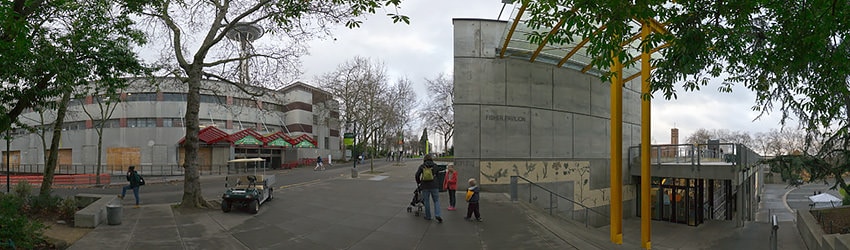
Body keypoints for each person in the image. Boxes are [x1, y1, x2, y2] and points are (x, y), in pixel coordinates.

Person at [415, 154, 442, 222]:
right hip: (434, 185)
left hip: (425, 185)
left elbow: (417, 175)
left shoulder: (422, 166)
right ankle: (437, 214)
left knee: (426, 201)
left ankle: (428, 216)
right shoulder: (435, 165)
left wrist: (419, 182)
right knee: (436, 201)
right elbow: (438, 175)